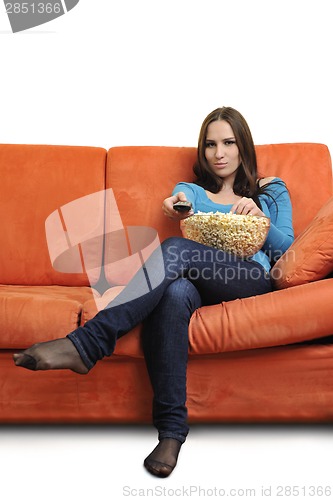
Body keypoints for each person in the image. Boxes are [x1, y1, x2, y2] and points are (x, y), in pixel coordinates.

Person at [13, 106, 294, 478]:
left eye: (228, 142)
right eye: (210, 145)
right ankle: (171, 432)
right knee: (174, 294)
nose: (219, 153)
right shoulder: (195, 190)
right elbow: (178, 200)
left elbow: (284, 249)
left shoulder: (269, 189)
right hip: (196, 281)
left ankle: (89, 343)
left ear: (243, 145)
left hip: (246, 279)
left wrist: (260, 218)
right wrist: (175, 205)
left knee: (173, 250)